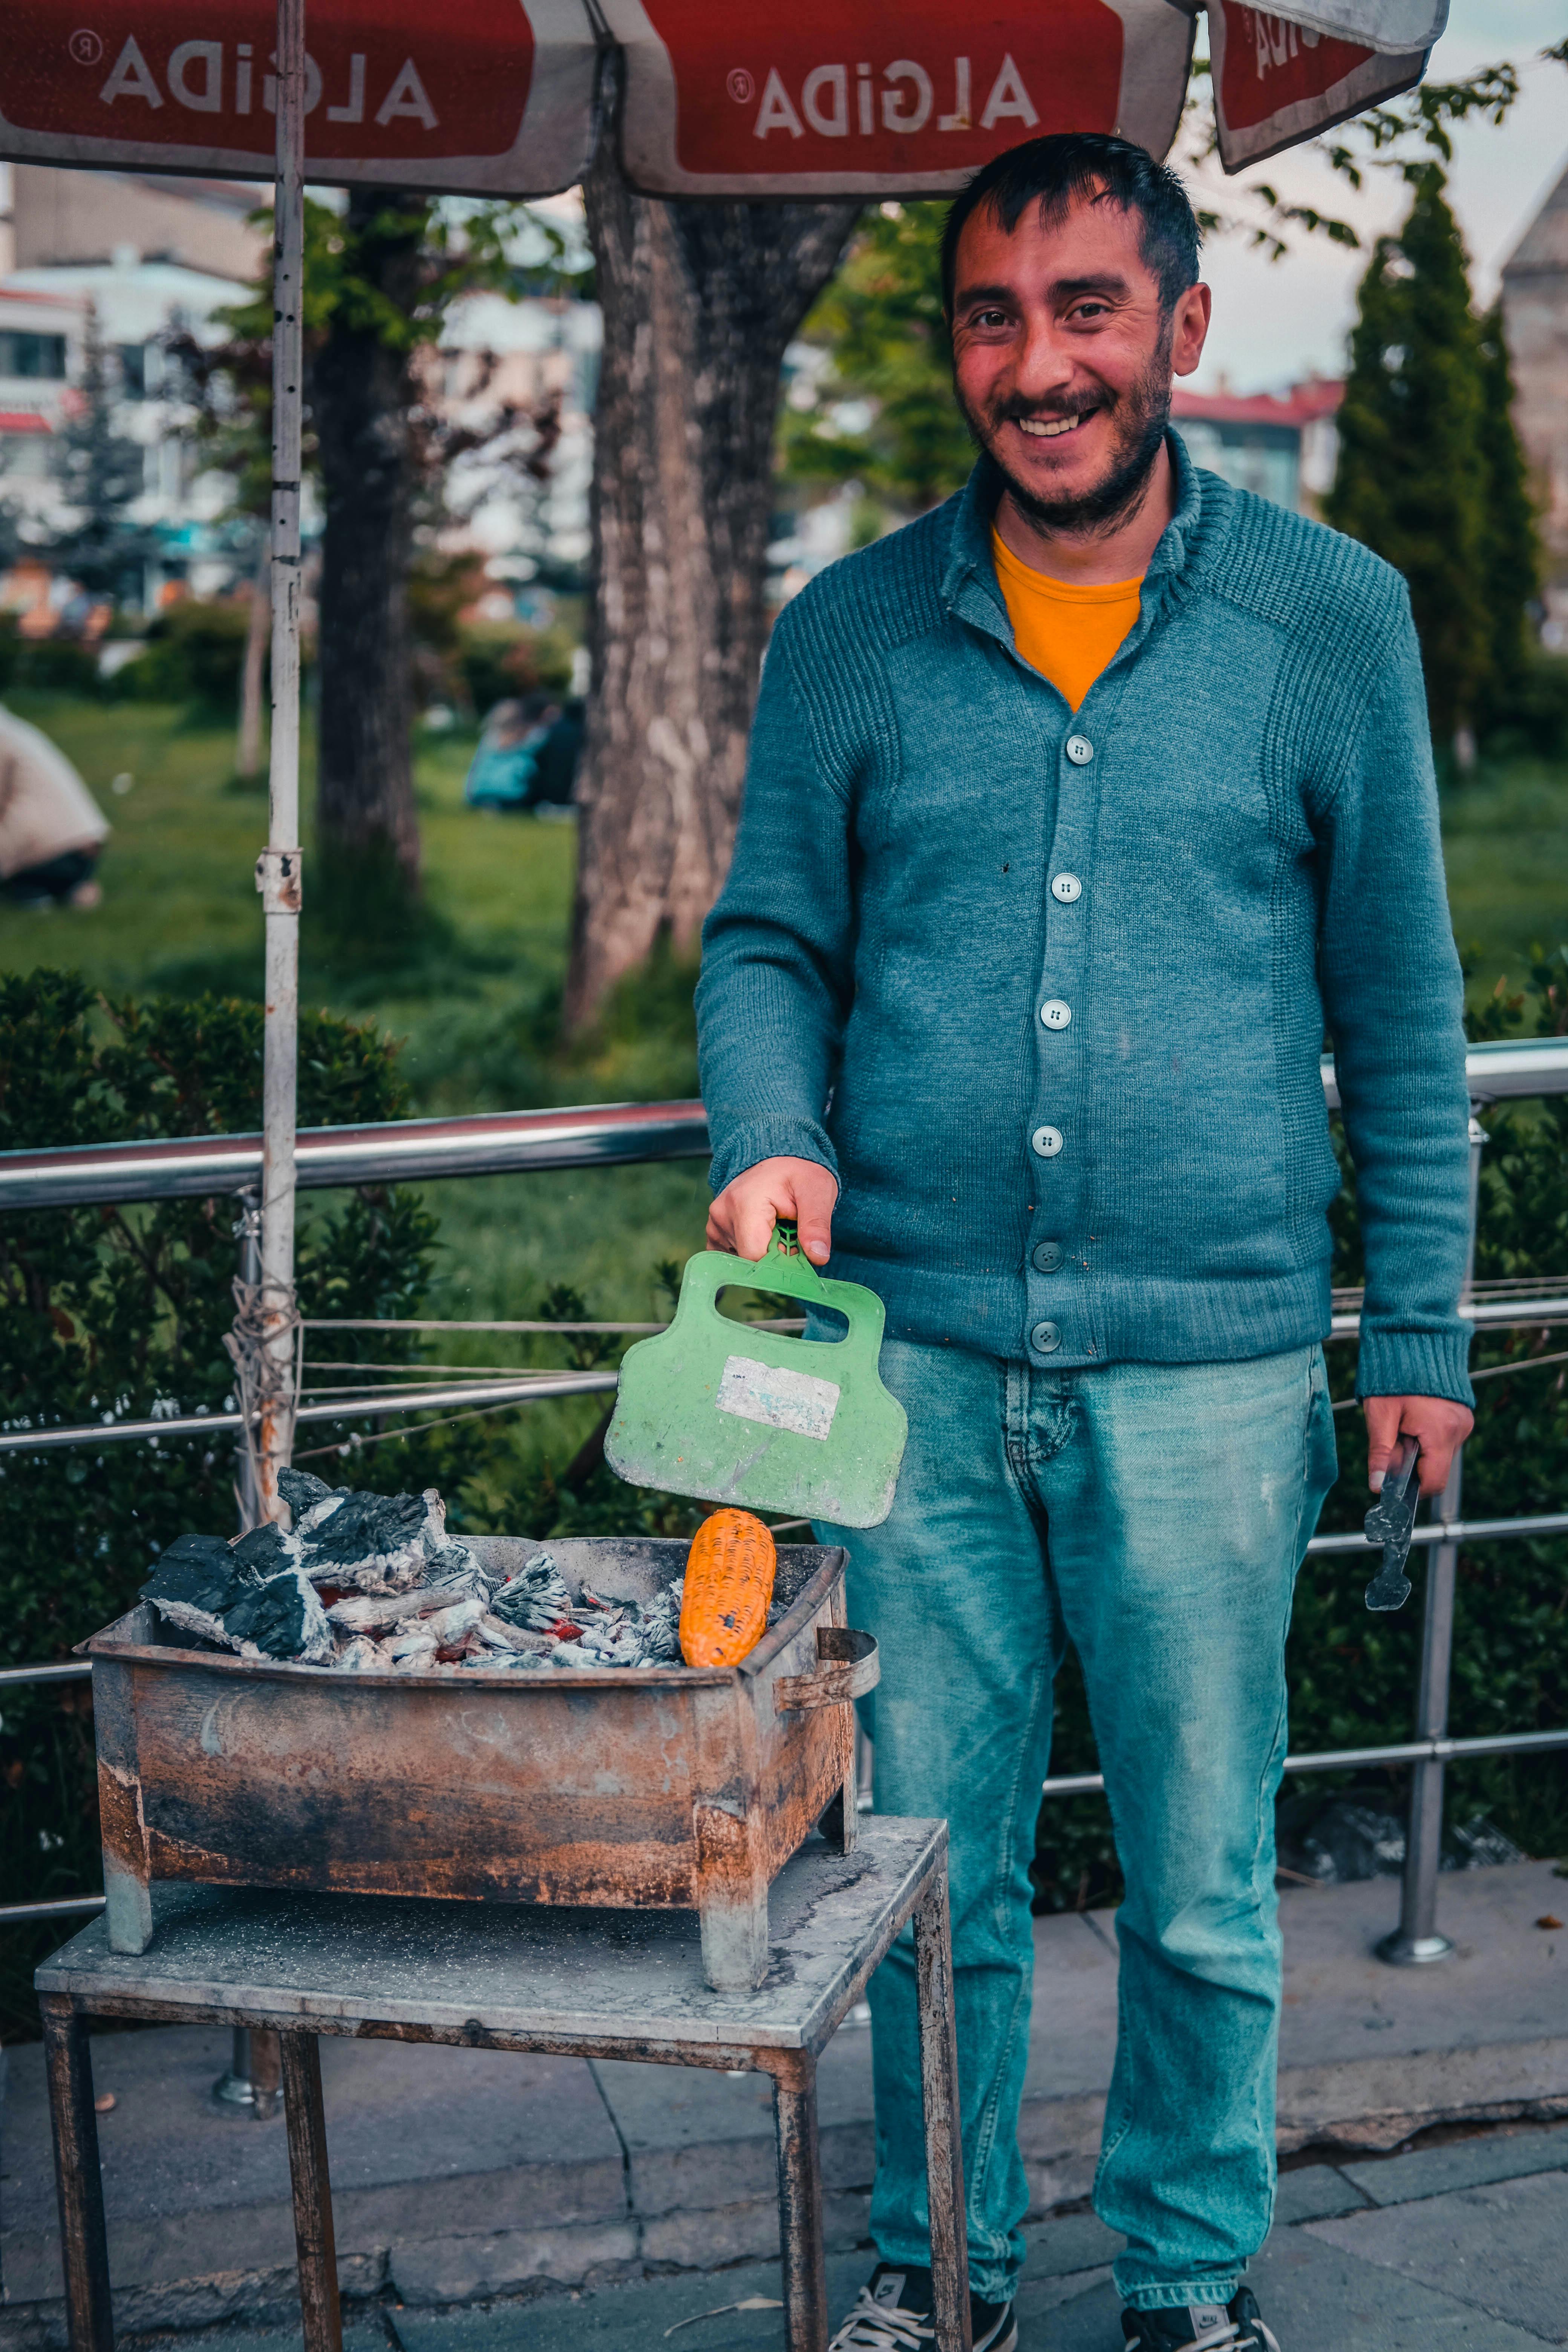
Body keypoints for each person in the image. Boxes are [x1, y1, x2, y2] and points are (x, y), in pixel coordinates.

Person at [695, 134, 1474, 2352]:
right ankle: (936, 2267)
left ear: (1182, 331)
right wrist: (771, 1123)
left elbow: (1404, 1014)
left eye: (1087, 310)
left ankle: (1188, 2274)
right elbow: (766, 942)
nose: (1040, 366)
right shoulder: (848, 631)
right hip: (915, 1359)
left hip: (1220, 1365)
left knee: (1207, 1885)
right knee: (923, 1880)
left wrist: (1414, 1321)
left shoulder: (1330, 620)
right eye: (993, 316)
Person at [0, 702, 109, 908]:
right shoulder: (16, 731)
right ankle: (72, 889)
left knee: (10, 884)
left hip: (56, 852)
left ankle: (36, 896)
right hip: (85, 848)